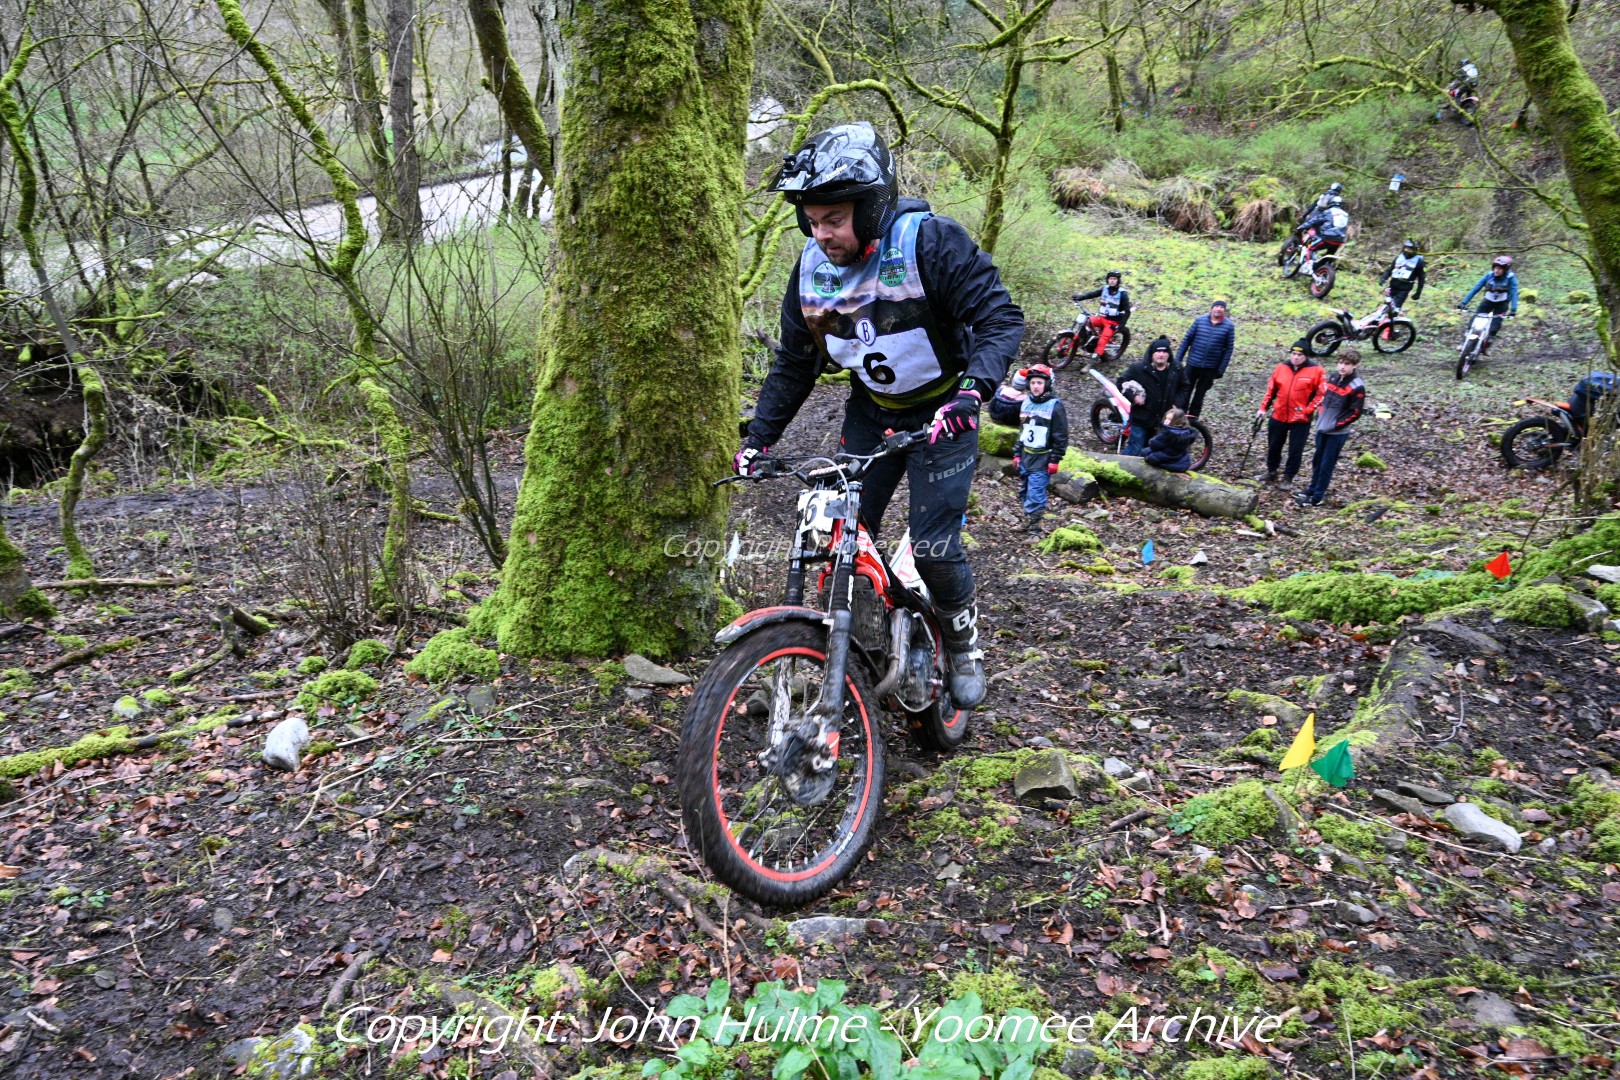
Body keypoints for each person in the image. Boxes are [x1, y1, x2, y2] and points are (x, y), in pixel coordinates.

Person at [738, 122, 1024, 710]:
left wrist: (972, 394)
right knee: (835, 537)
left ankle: (962, 642)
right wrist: (758, 439)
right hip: (873, 413)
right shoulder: (810, 272)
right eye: (812, 222)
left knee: (934, 548)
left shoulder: (930, 243)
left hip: (945, 411)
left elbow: (1000, 319)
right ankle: (823, 658)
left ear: (870, 208)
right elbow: (795, 363)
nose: (823, 235)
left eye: (834, 219)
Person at [991, 364, 1068, 531]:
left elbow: (1061, 435)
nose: (1035, 386)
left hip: (1043, 457)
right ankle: (1027, 520)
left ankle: (1035, 529)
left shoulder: (1055, 406)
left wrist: (1055, 458)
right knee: (1024, 490)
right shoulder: (1026, 402)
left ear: (1047, 384)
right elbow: (1023, 431)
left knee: (1036, 493)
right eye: (1033, 383)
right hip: (1026, 455)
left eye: (1039, 383)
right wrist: (1017, 453)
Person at [1294, 352, 1365, 507]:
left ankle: (1318, 497)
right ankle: (1312, 490)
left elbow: (1355, 412)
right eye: (1341, 363)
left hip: (1337, 433)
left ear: (1355, 365)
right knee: (1317, 461)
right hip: (1322, 428)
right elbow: (1323, 398)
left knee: (1327, 464)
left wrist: (1335, 425)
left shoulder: (1357, 386)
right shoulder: (1333, 377)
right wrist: (1320, 417)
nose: (1342, 367)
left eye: (1347, 364)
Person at [1257, 338, 1326, 485]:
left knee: (1295, 450)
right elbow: (1271, 390)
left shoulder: (1317, 370)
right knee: (1274, 446)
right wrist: (1263, 408)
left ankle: (1288, 477)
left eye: (1299, 355)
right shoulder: (1281, 368)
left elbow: (1321, 394)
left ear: (1306, 356)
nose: (1296, 357)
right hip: (1279, 414)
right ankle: (1271, 471)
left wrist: (1307, 411)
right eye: (1293, 354)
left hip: (1301, 419)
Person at [1118, 336, 1184, 455]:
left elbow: (1185, 386)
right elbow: (1120, 382)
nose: (1161, 354)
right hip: (1141, 418)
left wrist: (1177, 403)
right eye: (1158, 351)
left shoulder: (1176, 369)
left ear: (1169, 354)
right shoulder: (1138, 368)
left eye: (1164, 351)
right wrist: (1133, 397)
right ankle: (1121, 465)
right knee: (1135, 450)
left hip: (1163, 420)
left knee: (1153, 452)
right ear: (1152, 354)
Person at [1175, 301, 1236, 417]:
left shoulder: (1229, 326)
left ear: (1224, 310)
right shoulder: (1200, 321)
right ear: (1212, 308)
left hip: (1210, 367)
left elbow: (1228, 349)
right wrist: (1177, 360)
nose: (1219, 309)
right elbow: (1187, 340)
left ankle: (1193, 418)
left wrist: (1221, 369)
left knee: (1200, 394)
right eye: (1217, 306)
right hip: (1193, 363)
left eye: (1222, 307)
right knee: (1185, 390)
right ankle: (1180, 417)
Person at [1458, 255, 1518, 353]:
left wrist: (1513, 310)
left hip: (1502, 304)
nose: (1496, 270)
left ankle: (1487, 344)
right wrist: (1464, 302)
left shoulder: (1511, 278)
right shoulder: (1489, 276)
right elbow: (1476, 288)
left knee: (1495, 324)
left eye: (1499, 269)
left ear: (1505, 270)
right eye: (1495, 267)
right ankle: (1464, 342)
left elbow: (1514, 293)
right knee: (1475, 318)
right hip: (1488, 301)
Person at [1072, 270, 1131, 357]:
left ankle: (1094, 359)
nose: (1112, 281)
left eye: (1114, 279)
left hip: (1112, 322)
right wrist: (1080, 297)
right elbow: (1093, 294)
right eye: (1110, 279)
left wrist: (1121, 325)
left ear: (1118, 280)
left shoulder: (1122, 293)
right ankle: (1084, 341)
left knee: (1103, 340)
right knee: (1086, 322)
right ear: (1107, 280)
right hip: (1101, 317)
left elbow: (1127, 311)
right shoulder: (1105, 289)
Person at [1297, 194, 1350, 260]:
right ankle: (1324, 266)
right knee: (1328, 257)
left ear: (1330, 203)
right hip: (1340, 239)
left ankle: (1308, 265)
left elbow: (1315, 220)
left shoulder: (1328, 212)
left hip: (1327, 237)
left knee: (1310, 249)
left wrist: (1302, 226)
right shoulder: (1346, 215)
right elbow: (1344, 227)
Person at [1144, 407, 1197, 472]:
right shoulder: (1186, 432)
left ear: (1176, 421)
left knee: (1146, 453)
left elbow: (1154, 444)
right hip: (1182, 461)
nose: (1166, 420)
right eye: (1166, 418)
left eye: (1169, 419)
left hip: (1169, 459)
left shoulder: (1168, 433)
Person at [1381, 239, 1426, 309]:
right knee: (1386, 305)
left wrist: (1418, 292)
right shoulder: (1399, 257)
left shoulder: (1419, 261)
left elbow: (1421, 278)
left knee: (1395, 309)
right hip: (1393, 285)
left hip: (1404, 289)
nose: (1406, 250)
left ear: (1414, 250)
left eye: (1409, 249)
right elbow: (1390, 269)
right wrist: (1383, 278)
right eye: (1406, 248)